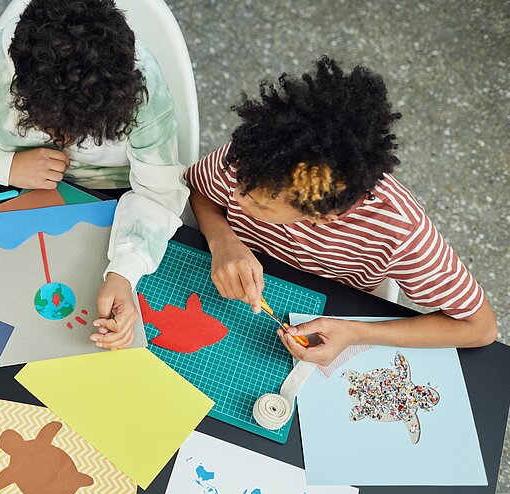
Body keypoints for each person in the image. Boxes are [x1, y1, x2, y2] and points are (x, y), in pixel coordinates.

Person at [0, 0, 188, 350]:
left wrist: (124, 272)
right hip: (2, 188)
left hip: (114, 201)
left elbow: (159, 192)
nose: (65, 141)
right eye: (53, 126)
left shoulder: (144, 90)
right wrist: (5, 166)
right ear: (20, 87)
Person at [187, 57, 497, 365]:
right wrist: (222, 240)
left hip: (330, 304)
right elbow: (201, 190)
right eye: (241, 184)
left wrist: (354, 333)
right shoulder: (253, 159)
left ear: (322, 216)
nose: (237, 197)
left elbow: (480, 328)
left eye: (261, 205)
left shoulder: (398, 229)